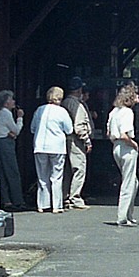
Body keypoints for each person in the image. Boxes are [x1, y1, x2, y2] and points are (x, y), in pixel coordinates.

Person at [29, 86, 74, 213]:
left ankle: (42, 204)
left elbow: (32, 128)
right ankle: (57, 205)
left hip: (40, 146)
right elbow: (69, 130)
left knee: (42, 177)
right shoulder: (62, 112)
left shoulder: (39, 110)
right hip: (57, 147)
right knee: (56, 177)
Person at [107, 84, 139, 227]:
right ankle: (122, 217)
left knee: (134, 182)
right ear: (131, 97)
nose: (138, 98)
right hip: (126, 147)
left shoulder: (114, 112)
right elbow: (124, 134)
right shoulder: (127, 112)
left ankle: (129, 214)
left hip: (116, 147)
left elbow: (109, 133)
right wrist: (134, 144)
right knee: (128, 182)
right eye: (137, 95)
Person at [0, 90, 28, 212]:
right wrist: (20, 118)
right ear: (6, 102)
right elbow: (16, 130)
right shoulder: (6, 113)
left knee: (2, 172)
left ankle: (6, 200)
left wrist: (11, 133)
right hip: (5, 145)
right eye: (11, 99)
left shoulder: (0, 114)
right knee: (12, 171)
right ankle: (18, 200)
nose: (13, 102)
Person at [61, 77, 92, 210]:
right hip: (76, 140)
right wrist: (87, 140)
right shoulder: (77, 105)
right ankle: (75, 198)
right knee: (79, 168)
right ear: (79, 89)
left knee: (67, 169)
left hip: (65, 139)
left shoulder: (64, 102)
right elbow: (79, 126)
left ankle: (65, 196)